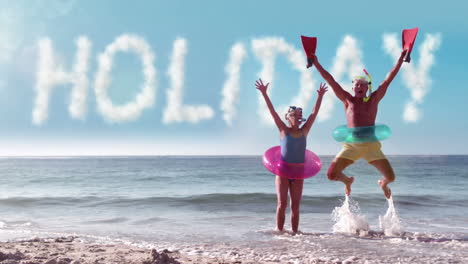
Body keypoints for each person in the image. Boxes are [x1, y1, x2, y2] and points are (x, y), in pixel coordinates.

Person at [310, 50, 407, 199]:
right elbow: (331, 81)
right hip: (352, 146)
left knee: (391, 177)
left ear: (367, 88)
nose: (360, 87)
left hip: (371, 146)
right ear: (353, 88)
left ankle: (383, 184)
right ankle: (347, 181)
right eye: (357, 85)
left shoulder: (374, 99)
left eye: (363, 85)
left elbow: (388, 79)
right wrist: (316, 63)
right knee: (331, 174)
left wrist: (400, 60)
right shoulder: (347, 100)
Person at [256, 78, 327, 233]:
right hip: (283, 171)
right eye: (294, 114)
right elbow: (272, 112)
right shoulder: (283, 130)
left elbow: (314, 114)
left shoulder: (304, 131)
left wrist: (320, 96)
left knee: (295, 206)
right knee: (282, 204)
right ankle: (279, 232)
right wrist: (264, 93)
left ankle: (295, 235)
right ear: (288, 117)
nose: (297, 117)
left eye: (299, 114)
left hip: (298, 172)